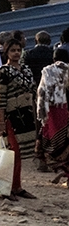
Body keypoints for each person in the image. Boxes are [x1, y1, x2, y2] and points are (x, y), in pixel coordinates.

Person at [0, 40, 37, 200]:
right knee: (12, 153)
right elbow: (0, 97)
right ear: (7, 52)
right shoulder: (2, 72)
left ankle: (17, 187)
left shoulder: (26, 70)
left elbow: (33, 92)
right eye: (13, 50)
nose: (16, 53)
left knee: (20, 154)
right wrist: (1, 121)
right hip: (11, 117)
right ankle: (6, 188)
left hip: (26, 116)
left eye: (19, 50)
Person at [37, 49, 69, 180]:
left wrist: (41, 113)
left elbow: (42, 92)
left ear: (53, 59)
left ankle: (58, 167)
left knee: (49, 139)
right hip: (66, 109)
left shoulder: (48, 71)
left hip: (51, 110)